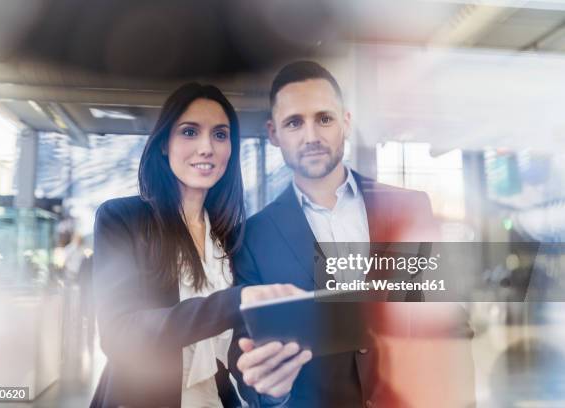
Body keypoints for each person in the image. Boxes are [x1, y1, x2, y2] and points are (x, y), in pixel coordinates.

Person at [229, 61, 475, 407]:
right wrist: (274, 391)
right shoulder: (251, 239)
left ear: (345, 121)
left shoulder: (409, 208)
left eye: (324, 118)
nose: (311, 136)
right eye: (294, 122)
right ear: (273, 133)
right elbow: (249, 362)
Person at [91, 82, 305, 408]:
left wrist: (272, 390)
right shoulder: (123, 219)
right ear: (164, 144)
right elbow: (121, 334)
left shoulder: (231, 240)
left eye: (220, 135)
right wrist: (236, 300)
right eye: (190, 132)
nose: (207, 147)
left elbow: (238, 352)